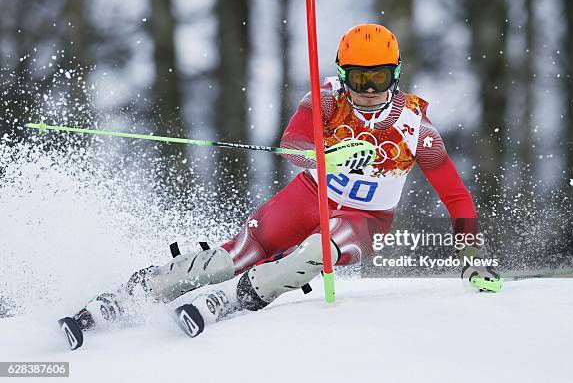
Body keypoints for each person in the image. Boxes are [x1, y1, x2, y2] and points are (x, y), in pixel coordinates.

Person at [64, 24, 501, 341]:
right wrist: (325, 154)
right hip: (308, 195)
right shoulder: (325, 99)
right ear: (343, 74)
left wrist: (471, 253)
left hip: (364, 217)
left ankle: (236, 298)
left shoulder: (415, 128)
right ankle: (133, 293)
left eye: (379, 77)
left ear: (396, 74)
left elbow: (456, 195)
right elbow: (290, 146)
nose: (368, 89)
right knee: (230, 257)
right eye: (359, 77)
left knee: (320, 250)